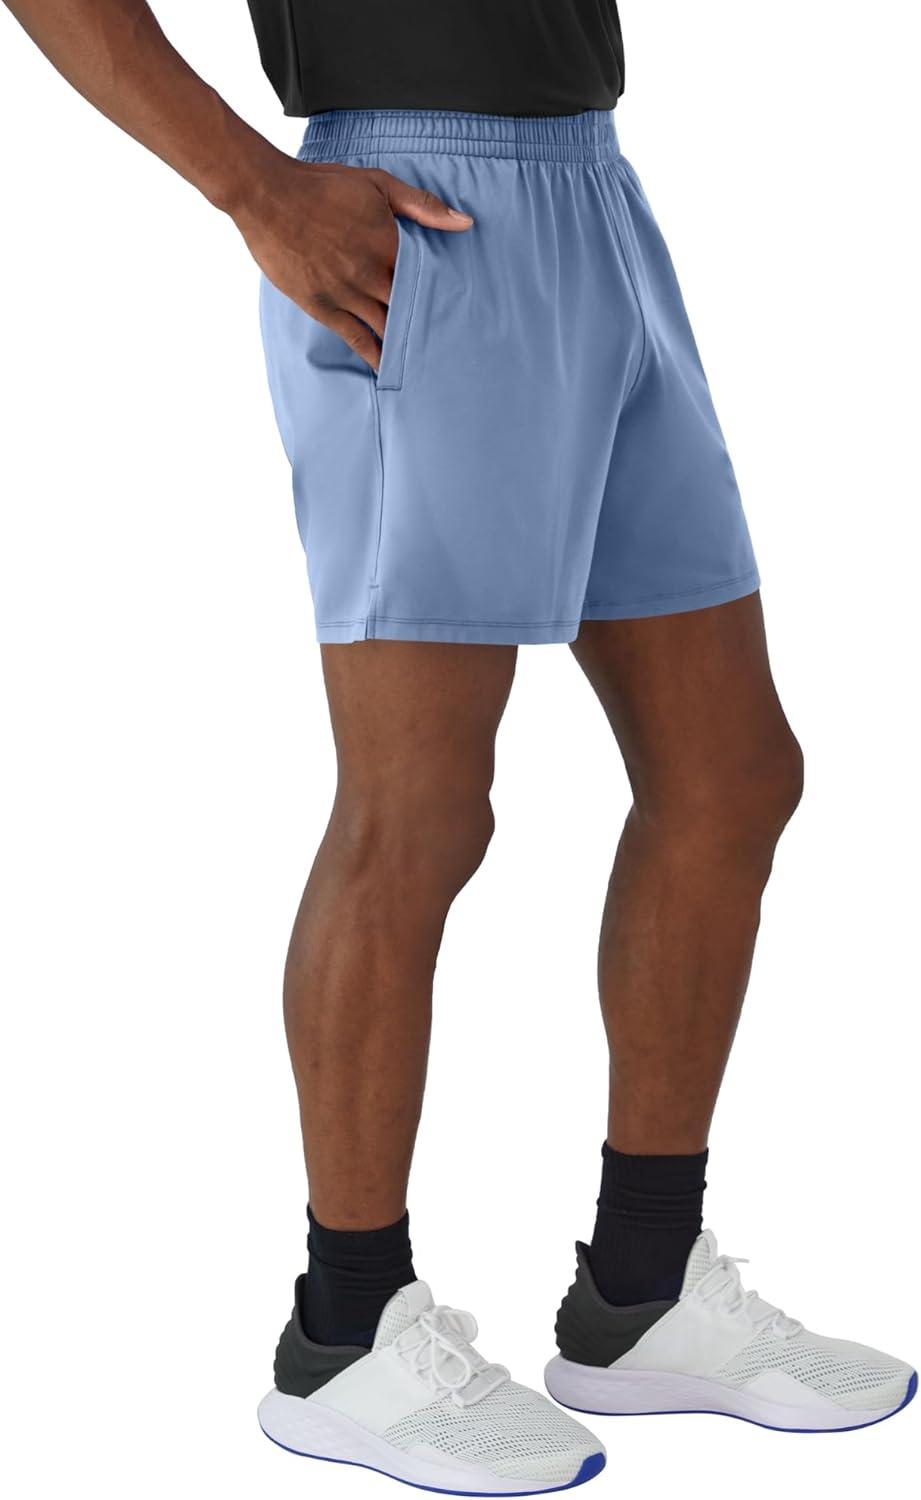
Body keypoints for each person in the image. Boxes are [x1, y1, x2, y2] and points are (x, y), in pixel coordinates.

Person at [4, 2, 914, 1493]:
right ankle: (345, 1331)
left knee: (734, 772)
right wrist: (253, 188)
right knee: (419, 812)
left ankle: (640, 1292)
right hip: (411, 212)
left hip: (595, 195)